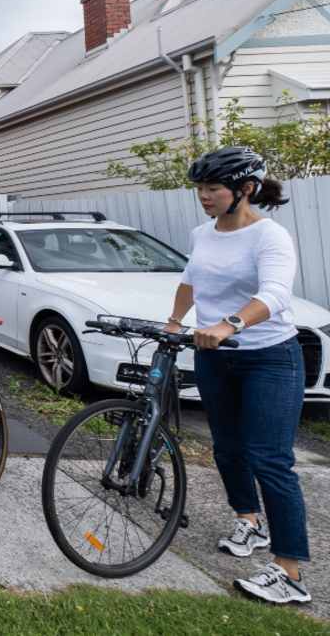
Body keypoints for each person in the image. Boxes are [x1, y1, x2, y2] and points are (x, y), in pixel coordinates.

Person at [165, 146, 310, 604]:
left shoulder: (269, 237)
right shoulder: (202, 233)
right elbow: (191, 280)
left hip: (269, 357)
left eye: (212, 188)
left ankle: (290, 573)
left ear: (244, 189)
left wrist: (230, 324)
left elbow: (275, 295)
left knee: (269, 458)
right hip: (215, 358)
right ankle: (249, 522)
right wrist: (173, 322)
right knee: (227, 448)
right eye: (200, 189)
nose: (203, 196)